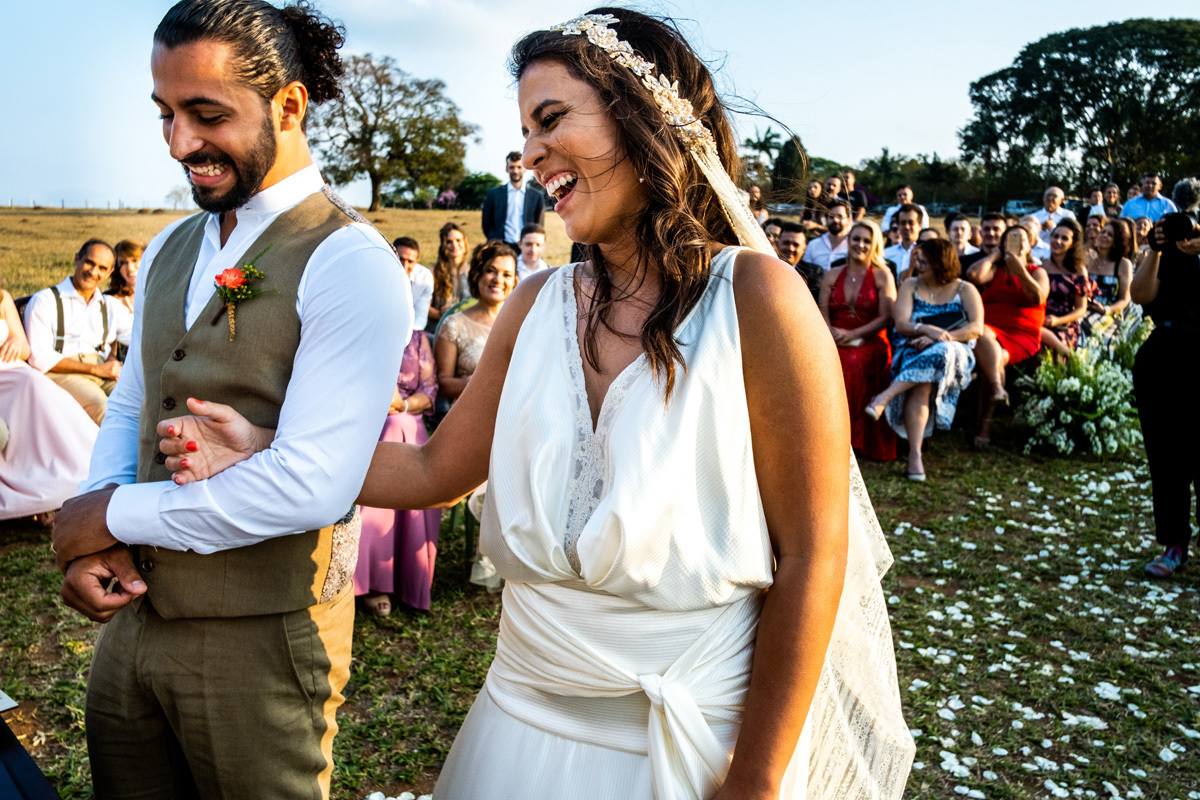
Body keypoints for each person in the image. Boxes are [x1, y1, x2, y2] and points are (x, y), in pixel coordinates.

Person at [154, 10, 913, 799]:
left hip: (686, 747)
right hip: (517, 727)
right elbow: (432, 470)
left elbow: (814, 555)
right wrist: (262, 444)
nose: (530, 153)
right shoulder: (535, 304)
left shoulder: (758, 299)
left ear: (643, 119)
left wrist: (755, 778)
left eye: (551, 119)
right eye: (524, 130)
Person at [49, 2, 412, 798]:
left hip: (262, 639)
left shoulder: (350, 262)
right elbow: (132, 402)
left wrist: (111, 515)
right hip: (133, 620)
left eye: (207, 115)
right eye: (166, 114)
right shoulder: (171, 247)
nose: (180, 143)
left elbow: (312, 482)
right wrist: (101, 531)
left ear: (289, 106)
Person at [865, 239, 983, 480]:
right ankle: (915, 454)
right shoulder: (911, 285)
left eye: (924, 262)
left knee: (944, 351)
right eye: (918, 260)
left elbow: (976, 328)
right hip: (912, 348)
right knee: (921, 385)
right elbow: (901, 324)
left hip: (955, 352)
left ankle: (885, 396)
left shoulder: (965, 289)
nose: (918, 265)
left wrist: (940, 338)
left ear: (941, 264)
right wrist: (926, 329)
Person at [1131, 206, 1200, 578]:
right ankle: (1175, 544)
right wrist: (1155, 250)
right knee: (1166, 456)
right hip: (1164, 357)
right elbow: (1140, 295)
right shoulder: (1167, 252)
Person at [356, 325, 440, 617]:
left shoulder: (416, 337)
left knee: (399, 424)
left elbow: (428, 392)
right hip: (365, 418)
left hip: (405, 416)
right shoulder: (363, 325)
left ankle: (386, 575)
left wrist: (402, 405)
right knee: (394, 426)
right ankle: (376, 577)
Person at [1, 285, 99, 523]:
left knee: (36, 385)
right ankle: (29, 493)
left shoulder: (2, 297)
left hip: (14, 372)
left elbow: (24, 347)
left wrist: (15, 342)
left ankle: (82, 473)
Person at [22, 239, 131, 424]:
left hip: (104, 374)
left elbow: (141, 338)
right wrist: (95, 369)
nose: (93, 272)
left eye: (102, 268)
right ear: (77, 259)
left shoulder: (111, 306)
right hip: (62, 374)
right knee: (103, 408)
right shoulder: (45, 300)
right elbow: (39, 358)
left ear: (109, 273)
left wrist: (115, 360)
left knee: (138, 404)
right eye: (89, 262)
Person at [818, 219, 897, 461]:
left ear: (874, 245)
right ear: (848, 241)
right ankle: (820, 433)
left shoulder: (883, 275)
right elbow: (822, 310)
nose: (860, 245)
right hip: (833, 336)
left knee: (850, 363)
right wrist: (829, 332)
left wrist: (853, 334)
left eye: (866, 241)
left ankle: (846, 440)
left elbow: (886, 317)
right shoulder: (832, 274)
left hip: (870, 340)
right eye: (856, 239)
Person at [966, 225, 1048, 446]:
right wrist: (995, 255)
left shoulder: (1037, 271)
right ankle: (996, 392)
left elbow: (1038, 298)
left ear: (1030, 244)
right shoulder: (996, 271)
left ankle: (986, 420)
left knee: (995, 358)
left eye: (1021, 239)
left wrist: (1020, 270)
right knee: (983, 335)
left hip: (1022, 332)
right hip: (990, 328)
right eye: (1010, 239)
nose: (1016, 243)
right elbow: (973, 275)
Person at [435, 240, 517, 402]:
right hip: (471, 411)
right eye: (490, 271)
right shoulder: (454, 324)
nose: (498, 280)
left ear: (515, 281)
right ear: (477, 274)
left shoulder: (523, 324)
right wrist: (478, 383)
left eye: (507, 275)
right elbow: (441, 385)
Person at [1040, 219, 1092, 356]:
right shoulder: (1041, 266)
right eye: (1055, 236)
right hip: (1040, 320)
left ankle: (1071, 357)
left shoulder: (1078, 270)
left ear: (1072, 244)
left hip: (1064, 324)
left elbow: (1081, 308)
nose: (1058, 241)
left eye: (1064, 238)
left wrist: (1057, 320)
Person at [481, 150, 547, 246]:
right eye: (511, 167)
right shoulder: (493, 194)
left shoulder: (537, 196)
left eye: (519, 167)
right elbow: (486, 224)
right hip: (499, 245)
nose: (515, 171)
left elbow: (538, 226)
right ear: (507, 169)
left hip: (524, 246)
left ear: (525, 168)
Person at [1086, 218, 1134, 324]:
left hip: (1108, 316)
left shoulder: (1123, 264)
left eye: (1110, 235)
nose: (1104, 235)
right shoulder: (1088, 258)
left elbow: (1125, 299)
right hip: (1084, 311)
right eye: (1103, 232)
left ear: (1116, 242)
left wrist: (1106, 310)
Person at [105, 239, 144, 362]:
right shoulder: (109, 299)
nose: (130, 268)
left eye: (134, 260)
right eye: (123, 263)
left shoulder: (160, 294)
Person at [427, 221, 470, 331]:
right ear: (443, 245)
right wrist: (443, 314)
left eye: (458, 240)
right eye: (449, 242)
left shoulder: (473, 272)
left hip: (466, 328)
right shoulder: (433, 272)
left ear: (465, 242)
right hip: (438, 328)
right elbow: (424, 307)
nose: (454, 245)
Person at [392, 236, 434, 332]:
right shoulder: (379, 274)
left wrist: (409, 335)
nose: (405, 266)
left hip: (410, 331)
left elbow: (421, 316)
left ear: (417, 261)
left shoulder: (425, 277)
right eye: (401, 259)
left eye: (410, 261)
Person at [778, 221, 821, 298]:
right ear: (777, 243)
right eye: (786, 243)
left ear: (804, 249)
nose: (790, 248)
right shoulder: (765, 268)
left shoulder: (813, 272)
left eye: (796, 245)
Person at [804, 200, 851, 271]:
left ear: (848, 220)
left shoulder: (853, 246)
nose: (835, 220)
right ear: (826, 220)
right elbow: (805, 271)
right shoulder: (813, 245)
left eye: (840, 216)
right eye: (831, 217)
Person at [883, 202, 922, 281]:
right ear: (898, 225)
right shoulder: (886, 254)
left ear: (920, 225)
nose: (907, 227)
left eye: (911, 223)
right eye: (903, 223)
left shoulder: (924, 254)